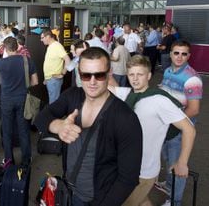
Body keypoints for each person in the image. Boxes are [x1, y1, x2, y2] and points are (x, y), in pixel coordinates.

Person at [34, 47, 142, 205]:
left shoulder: (125, 119)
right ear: (79, 73)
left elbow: (128, 178)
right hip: (66, 191)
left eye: (99, 75)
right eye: (86, 75)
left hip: (97, 199)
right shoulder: (72, 96)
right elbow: (42, 116)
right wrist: (58, 126)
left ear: (109, 73)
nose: (92, 81)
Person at [107, 55, 196, 206]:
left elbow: (189, 129)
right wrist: (103, 71)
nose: (135, 79)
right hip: (125, 166)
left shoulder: (159, 100)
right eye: (131, 75)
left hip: (143, 171)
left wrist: (182, 162)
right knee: (142, 201)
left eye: (140, 74)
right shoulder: (128, 95)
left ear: (148, 75)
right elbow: (107, 86)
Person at [156, 40, 203, 206]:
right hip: (167, 126)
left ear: (189, 56)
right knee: (168, 159)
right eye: (176, 53)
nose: (179, 57)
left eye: (184, 54)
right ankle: (169, 185)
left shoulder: (192, 79)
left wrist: (171, 121)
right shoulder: (168, 70)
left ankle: (174, 201)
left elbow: (194, 109)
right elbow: (166, 90)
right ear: (170, 54)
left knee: (177, 166)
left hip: (179, 130)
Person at [0, 37, 38, 166]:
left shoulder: (2, 62)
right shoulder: (27, 60)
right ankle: (26, 159)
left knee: (7, 130)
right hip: (22, 98)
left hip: (7, 100)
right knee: (24, 129)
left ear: (5, 49)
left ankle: (9, 159)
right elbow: (35, 81)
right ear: (17, 47)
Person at [40, 29, 71, 104]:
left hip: (54, 80)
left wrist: (63, 73)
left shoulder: (57, 46)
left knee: (53, 103)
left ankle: (53, 116)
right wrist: (46, 78)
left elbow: (68, 59)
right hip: (50, 79)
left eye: (42, 37)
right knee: (52, 101)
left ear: (48, 37)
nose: (41, 40)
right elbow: (50, 63)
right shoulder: (51, 46)